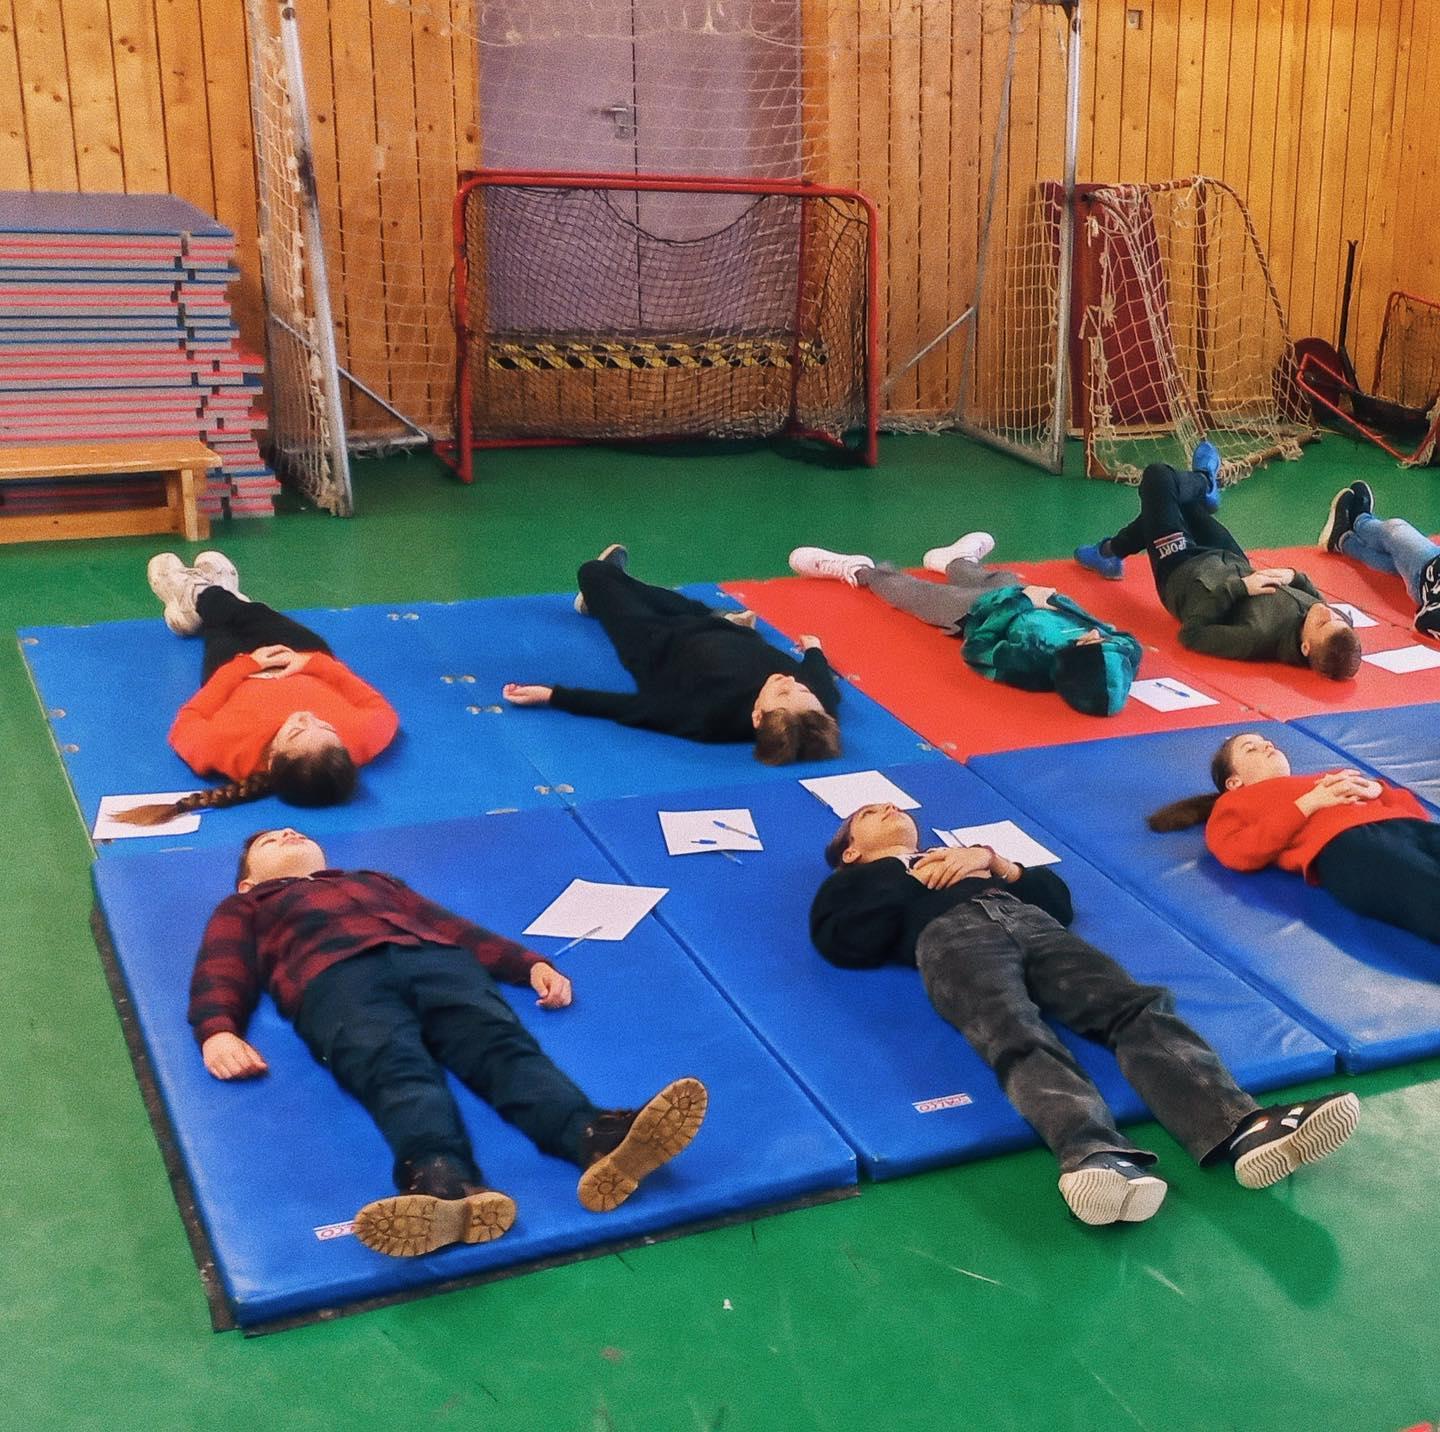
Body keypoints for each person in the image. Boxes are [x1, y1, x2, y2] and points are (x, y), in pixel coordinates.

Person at [809, 802, 1359, 1224]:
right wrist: (899, 871)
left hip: (1028, 922)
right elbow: (845, 941)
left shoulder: (963, 858)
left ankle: (1241, 1125)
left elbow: (1058, 902)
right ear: (851, 851)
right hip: (948, 938)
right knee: (1013, 1031)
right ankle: (1091, 1152)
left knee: (1136, 1007)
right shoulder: (851, 881)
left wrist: (993, 862)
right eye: (870, 814)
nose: (889, 808)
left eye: (892, 805)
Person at [191, 827, 709, 1257]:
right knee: (392, 1067)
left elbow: (452, 927)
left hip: (437, 963)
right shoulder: (246, 906)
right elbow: (221, 964)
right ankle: (441, 1181)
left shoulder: (373, 880)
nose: (287, 833)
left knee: (500, 1047)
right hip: (335, 979)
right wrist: (217, 1030)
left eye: (294, 832)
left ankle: (594, 1137)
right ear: (247, 881)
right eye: (268, 841)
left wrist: (527, 964)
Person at [120, 551, 399, 825]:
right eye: (327, 727)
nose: (308, 716)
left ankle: (199, 593)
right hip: (300, 656)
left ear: (273, 759)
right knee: (256, 614)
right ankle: (209, 596)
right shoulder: (355, 742)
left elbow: (188, 721)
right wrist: (314, 663)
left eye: (297, 731)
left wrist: (245, 666)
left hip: (235, 670)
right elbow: (380, 709)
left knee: (223, 627)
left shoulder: (226, 750)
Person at [502, 544, 842, 765]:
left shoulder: (709, 717)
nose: (789, 680)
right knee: (681, 605)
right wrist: (814, 648)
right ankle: (633, 597)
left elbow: (632, 708)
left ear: (756, 717)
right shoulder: (813, 704)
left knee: (593, 573)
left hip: (653, 642)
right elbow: (820, 678)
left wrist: (553, 695)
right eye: (802, 688)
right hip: (718, 627)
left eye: (782, 691)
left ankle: (602, 594)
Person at [1074, 443, 1362, 679]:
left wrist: (1239, 589)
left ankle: (1203, 480)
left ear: (1305, 647)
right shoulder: (1324, 617)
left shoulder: (1256, 637)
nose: (1328, 613)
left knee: (1158, 479)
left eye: (1325, 624)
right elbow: (1309, 589)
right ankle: (1109, 554)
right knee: (1172, 504)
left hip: (1182, 571)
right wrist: (1291, 575)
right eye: (1338, 618)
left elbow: (1192, 634)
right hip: (1229, 557)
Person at [788, 532, 1142, 716]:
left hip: (976, 613)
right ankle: (956, 560)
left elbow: (977, 650)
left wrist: (1020, 603)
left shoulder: (1033, 660)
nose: (1095, 634)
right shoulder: (1109, 651)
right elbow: (1124, 641)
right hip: (1020, 595)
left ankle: (860, 569)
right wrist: (1045, 598)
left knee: (918, 594)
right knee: (996, 577)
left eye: (1093, 642)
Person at [1149, 730, 1440, 944]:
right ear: (1234, 782)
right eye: (1251, 749)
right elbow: (1239, 852)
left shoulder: (1325, 776)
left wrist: (1378, 790)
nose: (1266, 746)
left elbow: (1418, 813)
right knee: (1426, 890)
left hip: (1404, 827)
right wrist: (1308, 804)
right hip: (1348, 844)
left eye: (1266, 742)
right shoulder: (1233, 803)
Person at [1318, 479, 1440, 637]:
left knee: (1396, 529)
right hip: (1433, 567)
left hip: (1426, 573)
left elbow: (1423, 621)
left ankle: (1360, 520)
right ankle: (1341, 539)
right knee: (1389, 559)